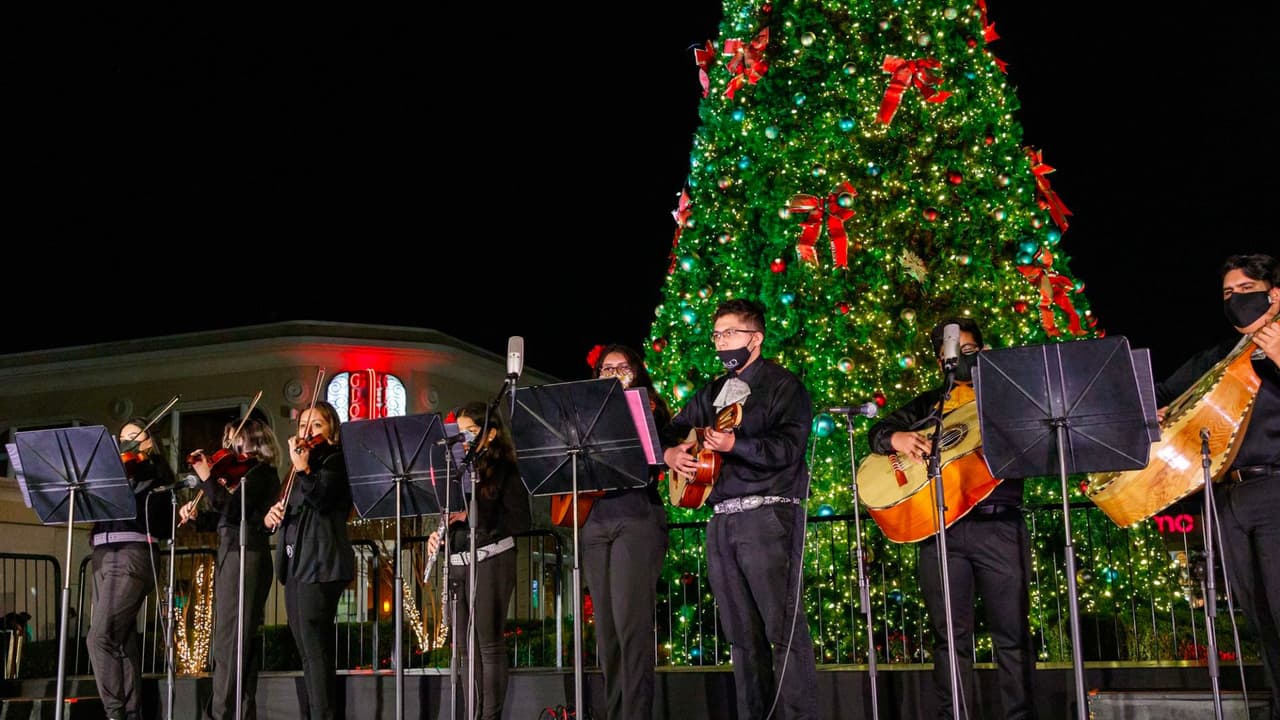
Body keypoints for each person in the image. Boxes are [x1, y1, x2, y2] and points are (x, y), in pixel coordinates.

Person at [867, 317, 1036, 720]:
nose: (961, 358)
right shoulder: (930, 404)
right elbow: (879, 430)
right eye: (952, 352)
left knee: (1012, 636)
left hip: (1000, 525)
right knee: (949, 639)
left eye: (970, 350)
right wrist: (898, 438)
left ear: (983, 352)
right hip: (941, 529)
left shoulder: (1008, 397)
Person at [662, 298, 820, 720]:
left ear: (756, 338)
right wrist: (671, 452)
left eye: (729, 333)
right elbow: (674, 428)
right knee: (741, 636)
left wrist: (737, 445)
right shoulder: (713, 391)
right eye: (717, 335)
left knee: (782, 630)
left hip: (768, 517)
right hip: (721, 522)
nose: (721, 343)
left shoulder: (784, 386)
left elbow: (790, 448)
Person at [1154, 253, 1280, 719]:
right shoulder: (1221, 356)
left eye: (1245, 290)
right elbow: (1165, 393)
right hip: (1230, 498)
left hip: (1276, 492)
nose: (1235, 301)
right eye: (1227, 294)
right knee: (1261, 621)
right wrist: (1157, 410)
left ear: (1275, 292)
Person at [581, 343, 680, 720]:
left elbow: (668, 448)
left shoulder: (651, 409)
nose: (615, 373)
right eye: (608, 369)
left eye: (622, 368)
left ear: (636, 371)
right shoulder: (588, 412)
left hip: (636, 516)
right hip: (595, 519)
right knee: (606, 635)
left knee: (631, 628)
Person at [426, 401, 531, 720]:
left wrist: (473, 515)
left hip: (491, 558)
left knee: (488, 644)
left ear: (491, 434)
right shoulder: (454, 472)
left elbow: (520, 520)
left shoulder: (504, 468)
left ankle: (490, 716)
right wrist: (440, 537)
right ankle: (473, 713)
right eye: (458, 434)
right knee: (464, 649)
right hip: (458, 561)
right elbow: (451, 516)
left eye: (470, 433)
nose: (463, 440)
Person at [180, 417, 281, 720]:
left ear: (251, 440)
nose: (226, 446)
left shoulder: (262, 473)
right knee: (236, 643)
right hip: (231, 552)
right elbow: (224, 519)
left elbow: (234, 510)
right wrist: (198, 515)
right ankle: (240, 712)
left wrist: (206, 477)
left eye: (233, 438)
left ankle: (220, 714)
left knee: (230, 642)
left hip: (247, 556)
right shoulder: (239, 474)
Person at [264, 401, 354, 720]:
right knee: (307, 649)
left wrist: (304, 469)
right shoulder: (299, 465)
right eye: (304, 425)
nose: (308, 431)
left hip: (320, 562)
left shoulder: (336, 460)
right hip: (296, 563)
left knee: (314, 648)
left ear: (331, 429)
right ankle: (319, 712)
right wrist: (273, 515)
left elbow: (323, 499)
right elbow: (290, 507)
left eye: (317, 425)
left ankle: (323, 714)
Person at [87, 418, 175, 720]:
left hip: (132, 552)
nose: (127, 444)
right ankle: (132, 713)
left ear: (149, 442)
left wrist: (141, 474)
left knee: (100, 637)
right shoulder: (113, 472)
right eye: (122, 438)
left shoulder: (154, 474)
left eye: (135, 437)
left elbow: (164, 521)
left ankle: (114, 713)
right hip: (102, 552)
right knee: (121, 641)